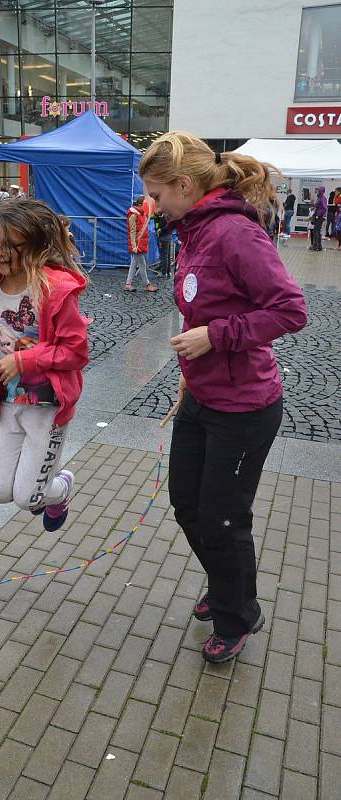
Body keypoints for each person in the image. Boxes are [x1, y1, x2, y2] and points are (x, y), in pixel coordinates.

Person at [139, 132, 307, 664]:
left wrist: (216, 336)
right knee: (188, 505)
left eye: (157, 194)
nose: (153, 205)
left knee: (224, 518)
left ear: (185, 185)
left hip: (245, 408)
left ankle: (239, 614)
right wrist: (194, 365)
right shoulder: (194, 232)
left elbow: (291, 310)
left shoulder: (235, 233)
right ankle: (224, 583)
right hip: (202, 398)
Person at [0, 199, 89, 532]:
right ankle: (42, 488)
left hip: (48, 405)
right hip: (7, 402)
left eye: (9, 245)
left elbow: (76, 351)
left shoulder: (55, 289)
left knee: (29, 497)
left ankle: (60, 488)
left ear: (31, 242)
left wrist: (25, 359)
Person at [125, 195, 158, 292]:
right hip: (137, 244)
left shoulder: (142, 213)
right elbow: (132, 232)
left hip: (140, 243)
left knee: (134, 263)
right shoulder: (133, 215)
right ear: (140, 205)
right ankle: (147, 284)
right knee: (142, 264)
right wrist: (134, 246)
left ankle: (128, 284)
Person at [153, 212, 172, 277]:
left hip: (164, 237)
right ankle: (168, 272)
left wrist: (160, 229)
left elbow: (168, 225)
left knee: (164, 256)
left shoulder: (166, 216)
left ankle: (164, 273)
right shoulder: (164, 215)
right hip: (167, 236)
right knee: (167, 255)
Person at [310, 185, 327, 251]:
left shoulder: (322, 198)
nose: (317, 191)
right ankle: (319, 246)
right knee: (317, 231)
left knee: (315, 231)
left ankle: (316, 246)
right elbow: (319, 206)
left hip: (320, 217)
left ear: (320, 191)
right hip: (320, 216)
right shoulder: (320, 197)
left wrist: (318, 215)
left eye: (318, 190)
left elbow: (324, 208)